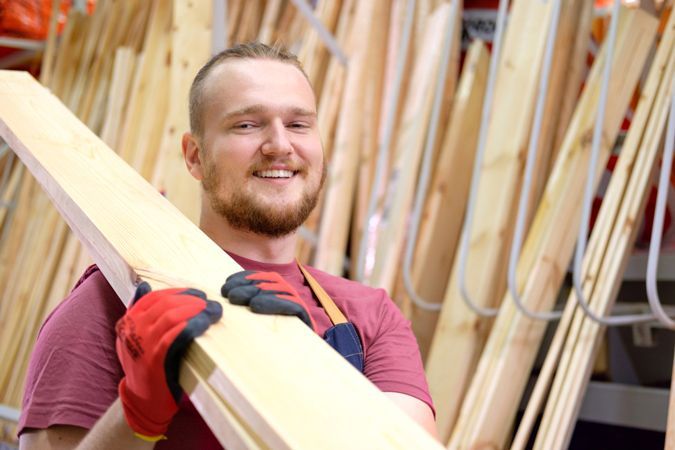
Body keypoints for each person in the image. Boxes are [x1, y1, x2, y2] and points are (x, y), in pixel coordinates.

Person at [17, 42, 437, 449]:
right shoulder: (116, 306)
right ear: (195, 156)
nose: (279, 145)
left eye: (298, 124)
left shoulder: (370, 316)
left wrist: (305, 374)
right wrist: (137, 415)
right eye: (247, 125)